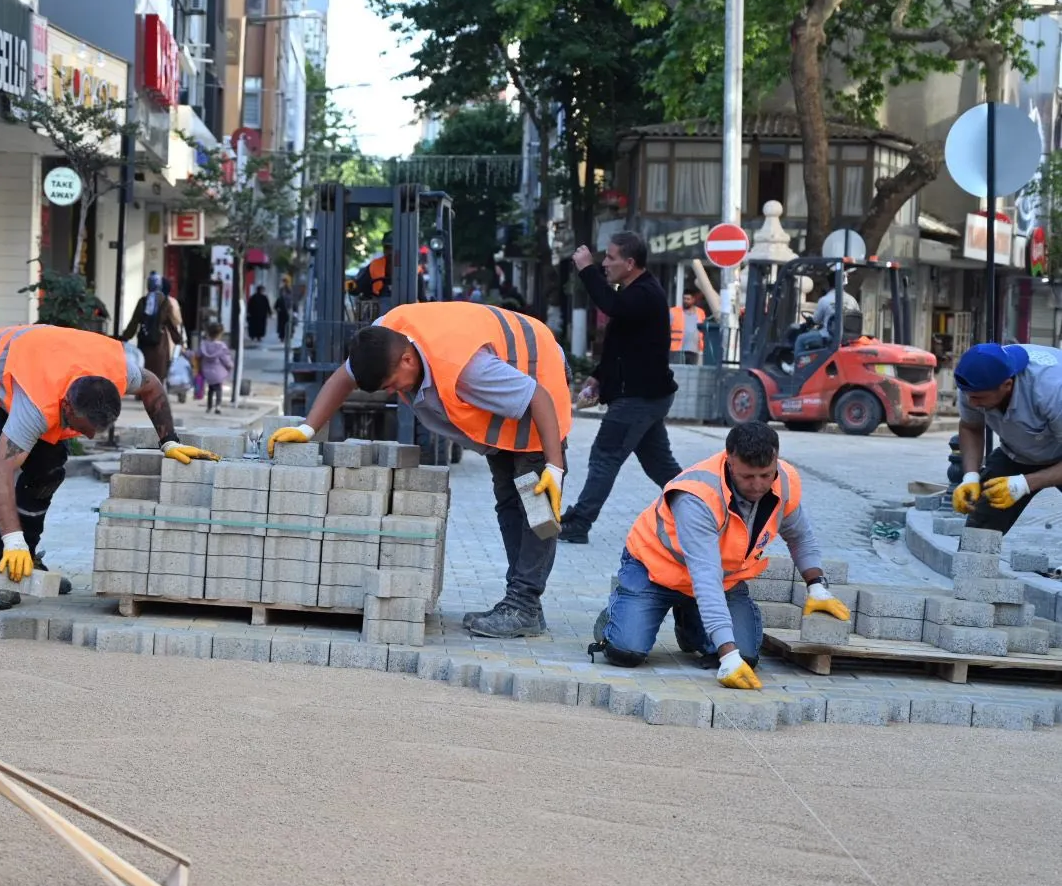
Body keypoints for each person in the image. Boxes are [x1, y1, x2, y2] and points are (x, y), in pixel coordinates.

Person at [269, 301, 570, 638]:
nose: (395, 392)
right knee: (509, 504)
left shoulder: (467, 370)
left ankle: (524, 606)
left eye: (393, 384)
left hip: (538, 383)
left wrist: (554, 468)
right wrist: (308, 428)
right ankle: (521, 605)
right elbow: (344, 376)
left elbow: (538, 397)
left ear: (408, 360)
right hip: (505, 398)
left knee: (537, 508)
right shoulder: (383, 339)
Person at [0, 323, 217, 609]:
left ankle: (28, 559)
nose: (91, 436)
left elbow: (153, 385)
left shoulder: (119, 372)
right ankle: (4, 569)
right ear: (67, 408)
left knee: (47, 473)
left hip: (45, 363)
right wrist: (12, 540)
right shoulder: (37, 405)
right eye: (82, 427)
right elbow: (0, 472)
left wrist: (169, 441)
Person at [589, 421, 850, 689]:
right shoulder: (697, 495)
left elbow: (800, 536)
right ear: (729, 460)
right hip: (655, 571)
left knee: (746, 656)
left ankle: (690, 621)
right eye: (748, 476)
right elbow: (705, 575)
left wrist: (817, 588)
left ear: (776, 461)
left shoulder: (783, 481)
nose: (758, 485)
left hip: (720, 580)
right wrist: (728, 656)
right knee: (627, 651)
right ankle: (615, 619)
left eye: (765, 475)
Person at [558, 233, 681, 544]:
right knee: (660, 465)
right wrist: (599, 376)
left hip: (638, 398)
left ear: (629, 263)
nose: (605, 263)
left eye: (610, 257)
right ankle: (703, 507)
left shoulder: (645, 294)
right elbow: (621, 345)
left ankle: (579, 522)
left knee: (605, 456)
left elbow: (611, 305)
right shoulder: (634, 293)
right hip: (645, 396)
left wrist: (585, 269)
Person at [952, 342, 1062, 532]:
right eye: (968, 396)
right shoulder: (974, 385)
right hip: (1016, 453)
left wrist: (1024, 484)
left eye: (979, 398)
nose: (971, 403)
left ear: (1007, 385)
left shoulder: (1052, 390)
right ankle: (976, 561)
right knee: (981, 526)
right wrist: (970, 477)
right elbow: (971, 427)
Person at [122, 272, 183, 384]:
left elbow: (134, 322)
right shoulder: (165, 302)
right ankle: (155, 391)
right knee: (159, 367)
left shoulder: (143, 301)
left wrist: (125, 337)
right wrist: (178, 340)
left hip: (144, 340)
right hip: (160, 342)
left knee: (144, 364)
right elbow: (171, 323)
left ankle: (141, 391)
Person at [194, 319, 234, 414]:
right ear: (220, 334)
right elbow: (225, 359)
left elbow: (197, 354)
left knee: (210, 389)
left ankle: (209, 407)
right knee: (218, 389)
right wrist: (230, 365)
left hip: (207, 372)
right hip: (218, 373)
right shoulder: (221, 347)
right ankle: (218, 406)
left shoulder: (204, 345)